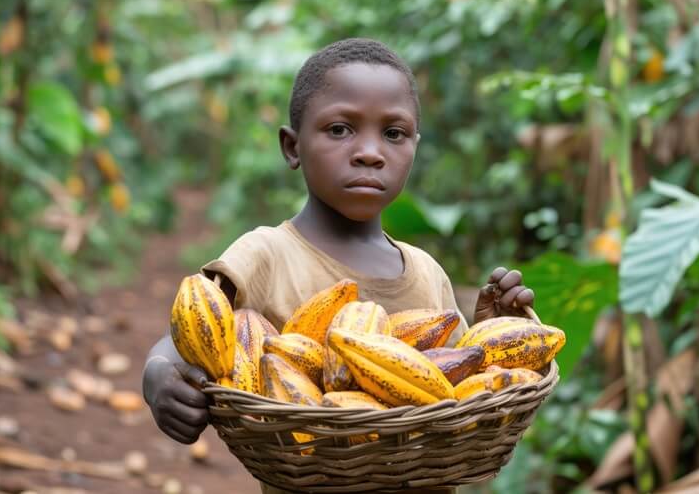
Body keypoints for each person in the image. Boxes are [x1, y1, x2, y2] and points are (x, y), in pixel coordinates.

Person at [142, 38, 535, 494]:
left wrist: (493, 336)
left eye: (393, 133)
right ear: (292, 147)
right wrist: (157, 373)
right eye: (340, 129)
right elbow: (191, 335)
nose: (370, 151)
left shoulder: (427, 272)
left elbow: (452, 378)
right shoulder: (266, 254)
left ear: (414, 148)